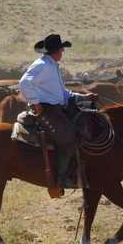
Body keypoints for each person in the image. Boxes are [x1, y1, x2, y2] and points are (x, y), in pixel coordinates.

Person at [19, 34, 98, 189]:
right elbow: (24, 82)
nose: (62, 53)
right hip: (46, 109)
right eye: (62, 50)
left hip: (55, 107)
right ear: (57, 51)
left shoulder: (52, 66)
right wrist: (35, 103)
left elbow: (62, 94)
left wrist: (83, 97)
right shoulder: (42, 65)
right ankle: (62, 176)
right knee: (67, 135)